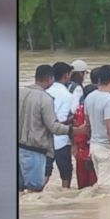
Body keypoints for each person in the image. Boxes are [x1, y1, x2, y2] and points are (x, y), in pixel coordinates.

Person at [18, 64, 87, 192]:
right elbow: (53, 127)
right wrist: (75, 130)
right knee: (34, 192)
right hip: (35, 149)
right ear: (50, 79)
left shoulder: (20, 93)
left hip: (18, 148)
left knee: (21, 191)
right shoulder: (45, 98)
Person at [83, 64, 110, 188]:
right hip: (107, 149)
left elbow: (87, 125)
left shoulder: (89, 97)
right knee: (108, 190)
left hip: (94, 147)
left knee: (102, 184)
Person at [46, 61, 75, 188]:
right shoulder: (67, 95)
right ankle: (66, 197)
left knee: (45, 172)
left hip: (44, 138)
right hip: (61, 139)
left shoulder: (45, 91)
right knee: (66, 173)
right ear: (66, 76)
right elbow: (63, 119)